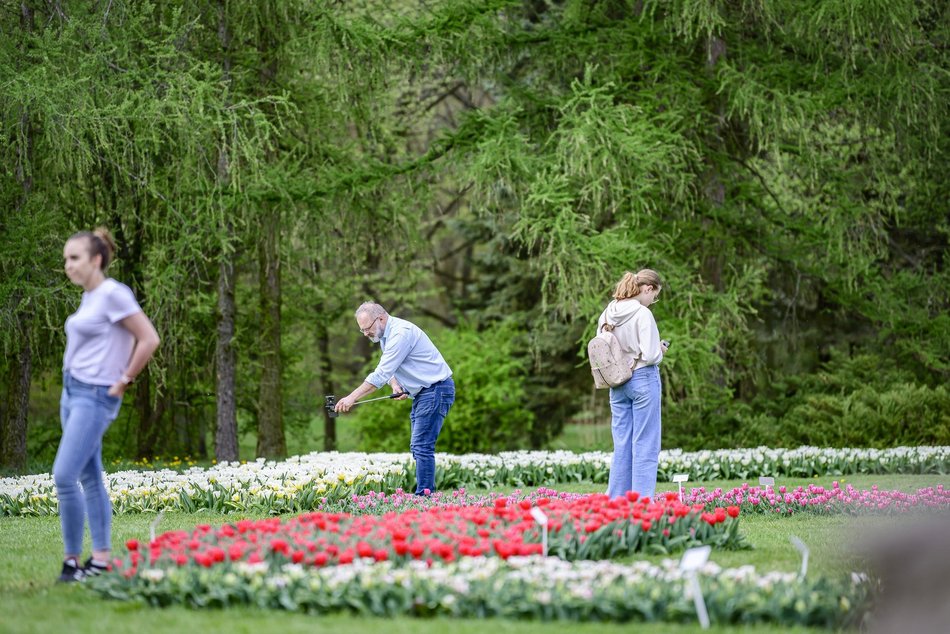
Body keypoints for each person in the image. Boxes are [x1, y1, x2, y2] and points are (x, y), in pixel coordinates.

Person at [54, 228, 160, 582]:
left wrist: (124, 380)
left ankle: (72, 563)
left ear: (96, 260)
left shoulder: (114, 294)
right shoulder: (90, 297)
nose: (68, 266)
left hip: (95, 395)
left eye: (75, 258)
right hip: (72, 393)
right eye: (66, 259)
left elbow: (148, 338)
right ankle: (99, 561)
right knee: (88, 475)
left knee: (64, 476)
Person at [335, 302, 454, 495]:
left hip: (437, 390)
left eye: (367, 329)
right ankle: (425, 494)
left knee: (421, 445)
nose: (365, 334)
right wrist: (395, 384)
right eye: (362, 330)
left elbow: (380, 374)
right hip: (424, 392)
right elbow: (389, 370)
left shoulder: (400, 334)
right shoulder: (385, 335)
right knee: (417, 446)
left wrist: (352, 398)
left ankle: (425, 496)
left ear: (380, 318)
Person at [597, 270, 668, 501]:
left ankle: (616, 499)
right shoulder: (642, 313)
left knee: (622, 443)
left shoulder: (609, 310)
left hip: (616, 382)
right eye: (654, 296)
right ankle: (641, 502)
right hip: (642, 379)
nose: (652, 301)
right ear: (648, 289)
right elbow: (649, 354)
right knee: (645, 442)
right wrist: (660, 350)